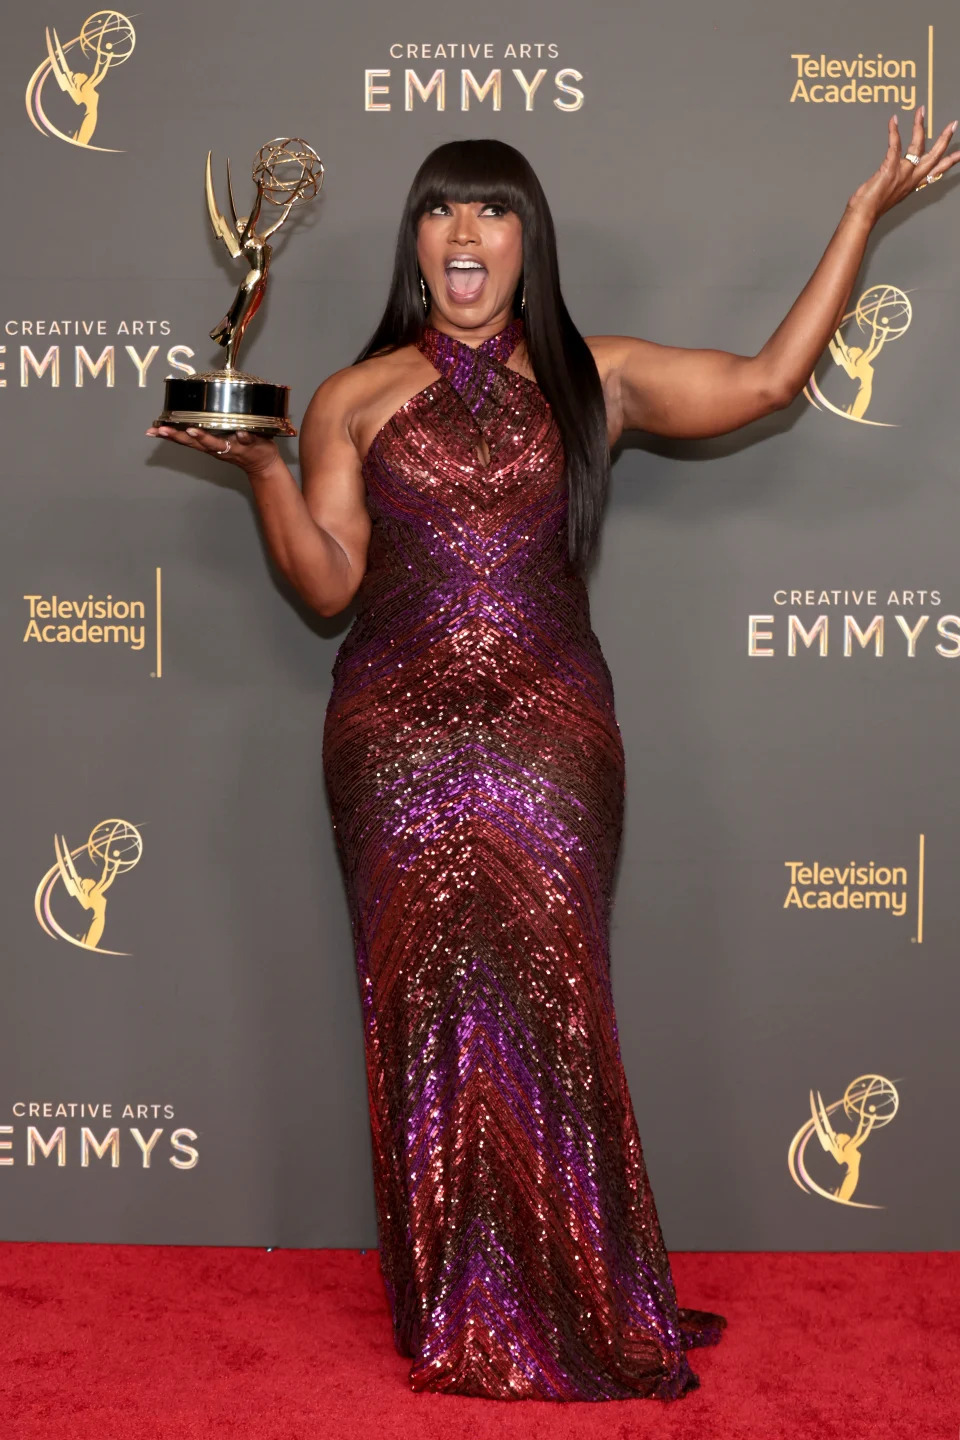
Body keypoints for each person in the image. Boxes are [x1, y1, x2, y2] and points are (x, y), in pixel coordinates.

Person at [146, 110, 957, 1401]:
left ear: (528, 243)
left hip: (550, 733)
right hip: (393, 741)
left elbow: (762, 384)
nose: (465, 231)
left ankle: (569, 1283)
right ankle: (455, 1298)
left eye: (493, 209)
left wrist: (861, 216)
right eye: (442, 209)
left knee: (550, 996)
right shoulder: (354, 395)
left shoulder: (596, 374)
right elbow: (327, 582)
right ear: (417, 244)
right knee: (424, 1009)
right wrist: (259, 475)